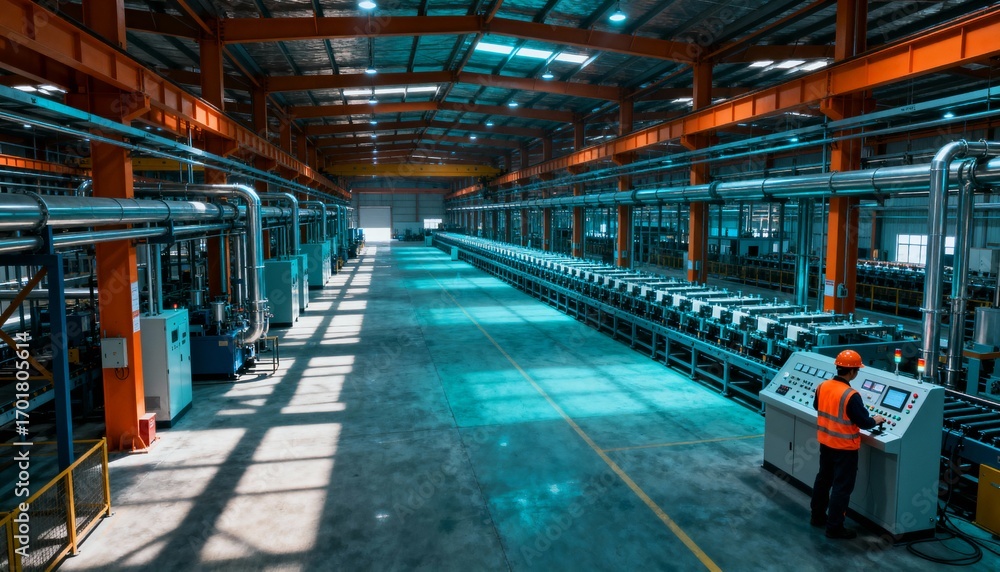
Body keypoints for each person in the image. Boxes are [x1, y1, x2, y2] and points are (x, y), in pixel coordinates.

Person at [810, 349, 886, 539]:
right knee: (841, 488)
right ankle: (834, 528)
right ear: (852, 372)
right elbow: (864, 423)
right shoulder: (851, 395)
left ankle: (817, 517)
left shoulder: (823, 386)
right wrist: (877, 419)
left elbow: (816, 406)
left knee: (823, 481)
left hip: (825, 443)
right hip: (844, 449)